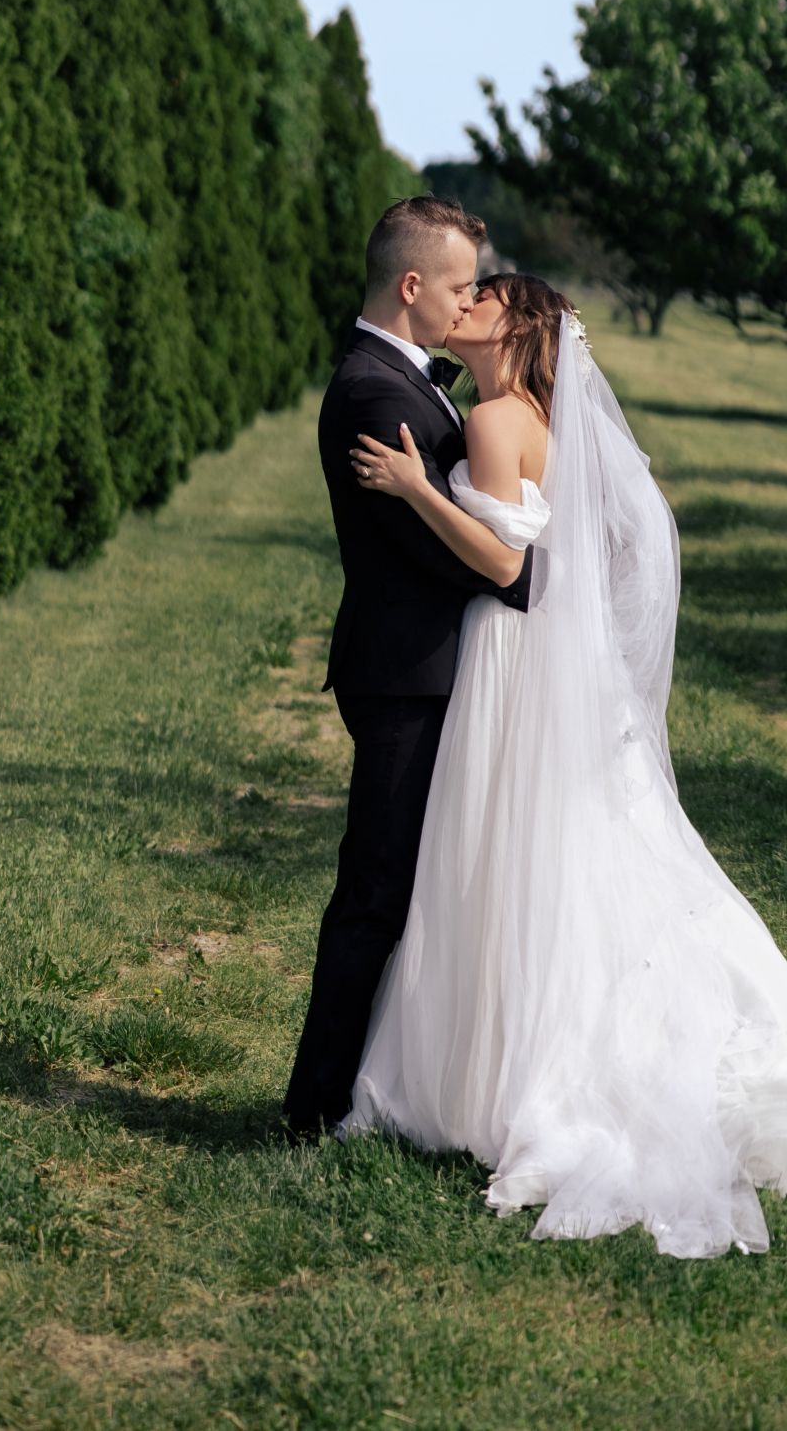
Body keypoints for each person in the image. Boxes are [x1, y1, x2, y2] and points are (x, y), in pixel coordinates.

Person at [339, 272, 787, 1254]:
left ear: (521, 325)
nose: (466, 303)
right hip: (559, 663)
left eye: (485, 296)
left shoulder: (500, 415)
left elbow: (504, 567)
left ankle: (508, 1075)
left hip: (512, 658)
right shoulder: (541, 416)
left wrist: (418, 489)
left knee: (506, 861)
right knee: (576, 858)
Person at [281, 196, 534, 1140]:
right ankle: (314, 1109)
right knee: (376, 893)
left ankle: (393, 1088)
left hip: (430, 673)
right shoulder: (373, 393)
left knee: (420, 890)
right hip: (404, 679)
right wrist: (523, 571)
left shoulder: (419, 385)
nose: (471, 300)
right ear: (412, 285)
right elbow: (445, 552)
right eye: (462, 284)